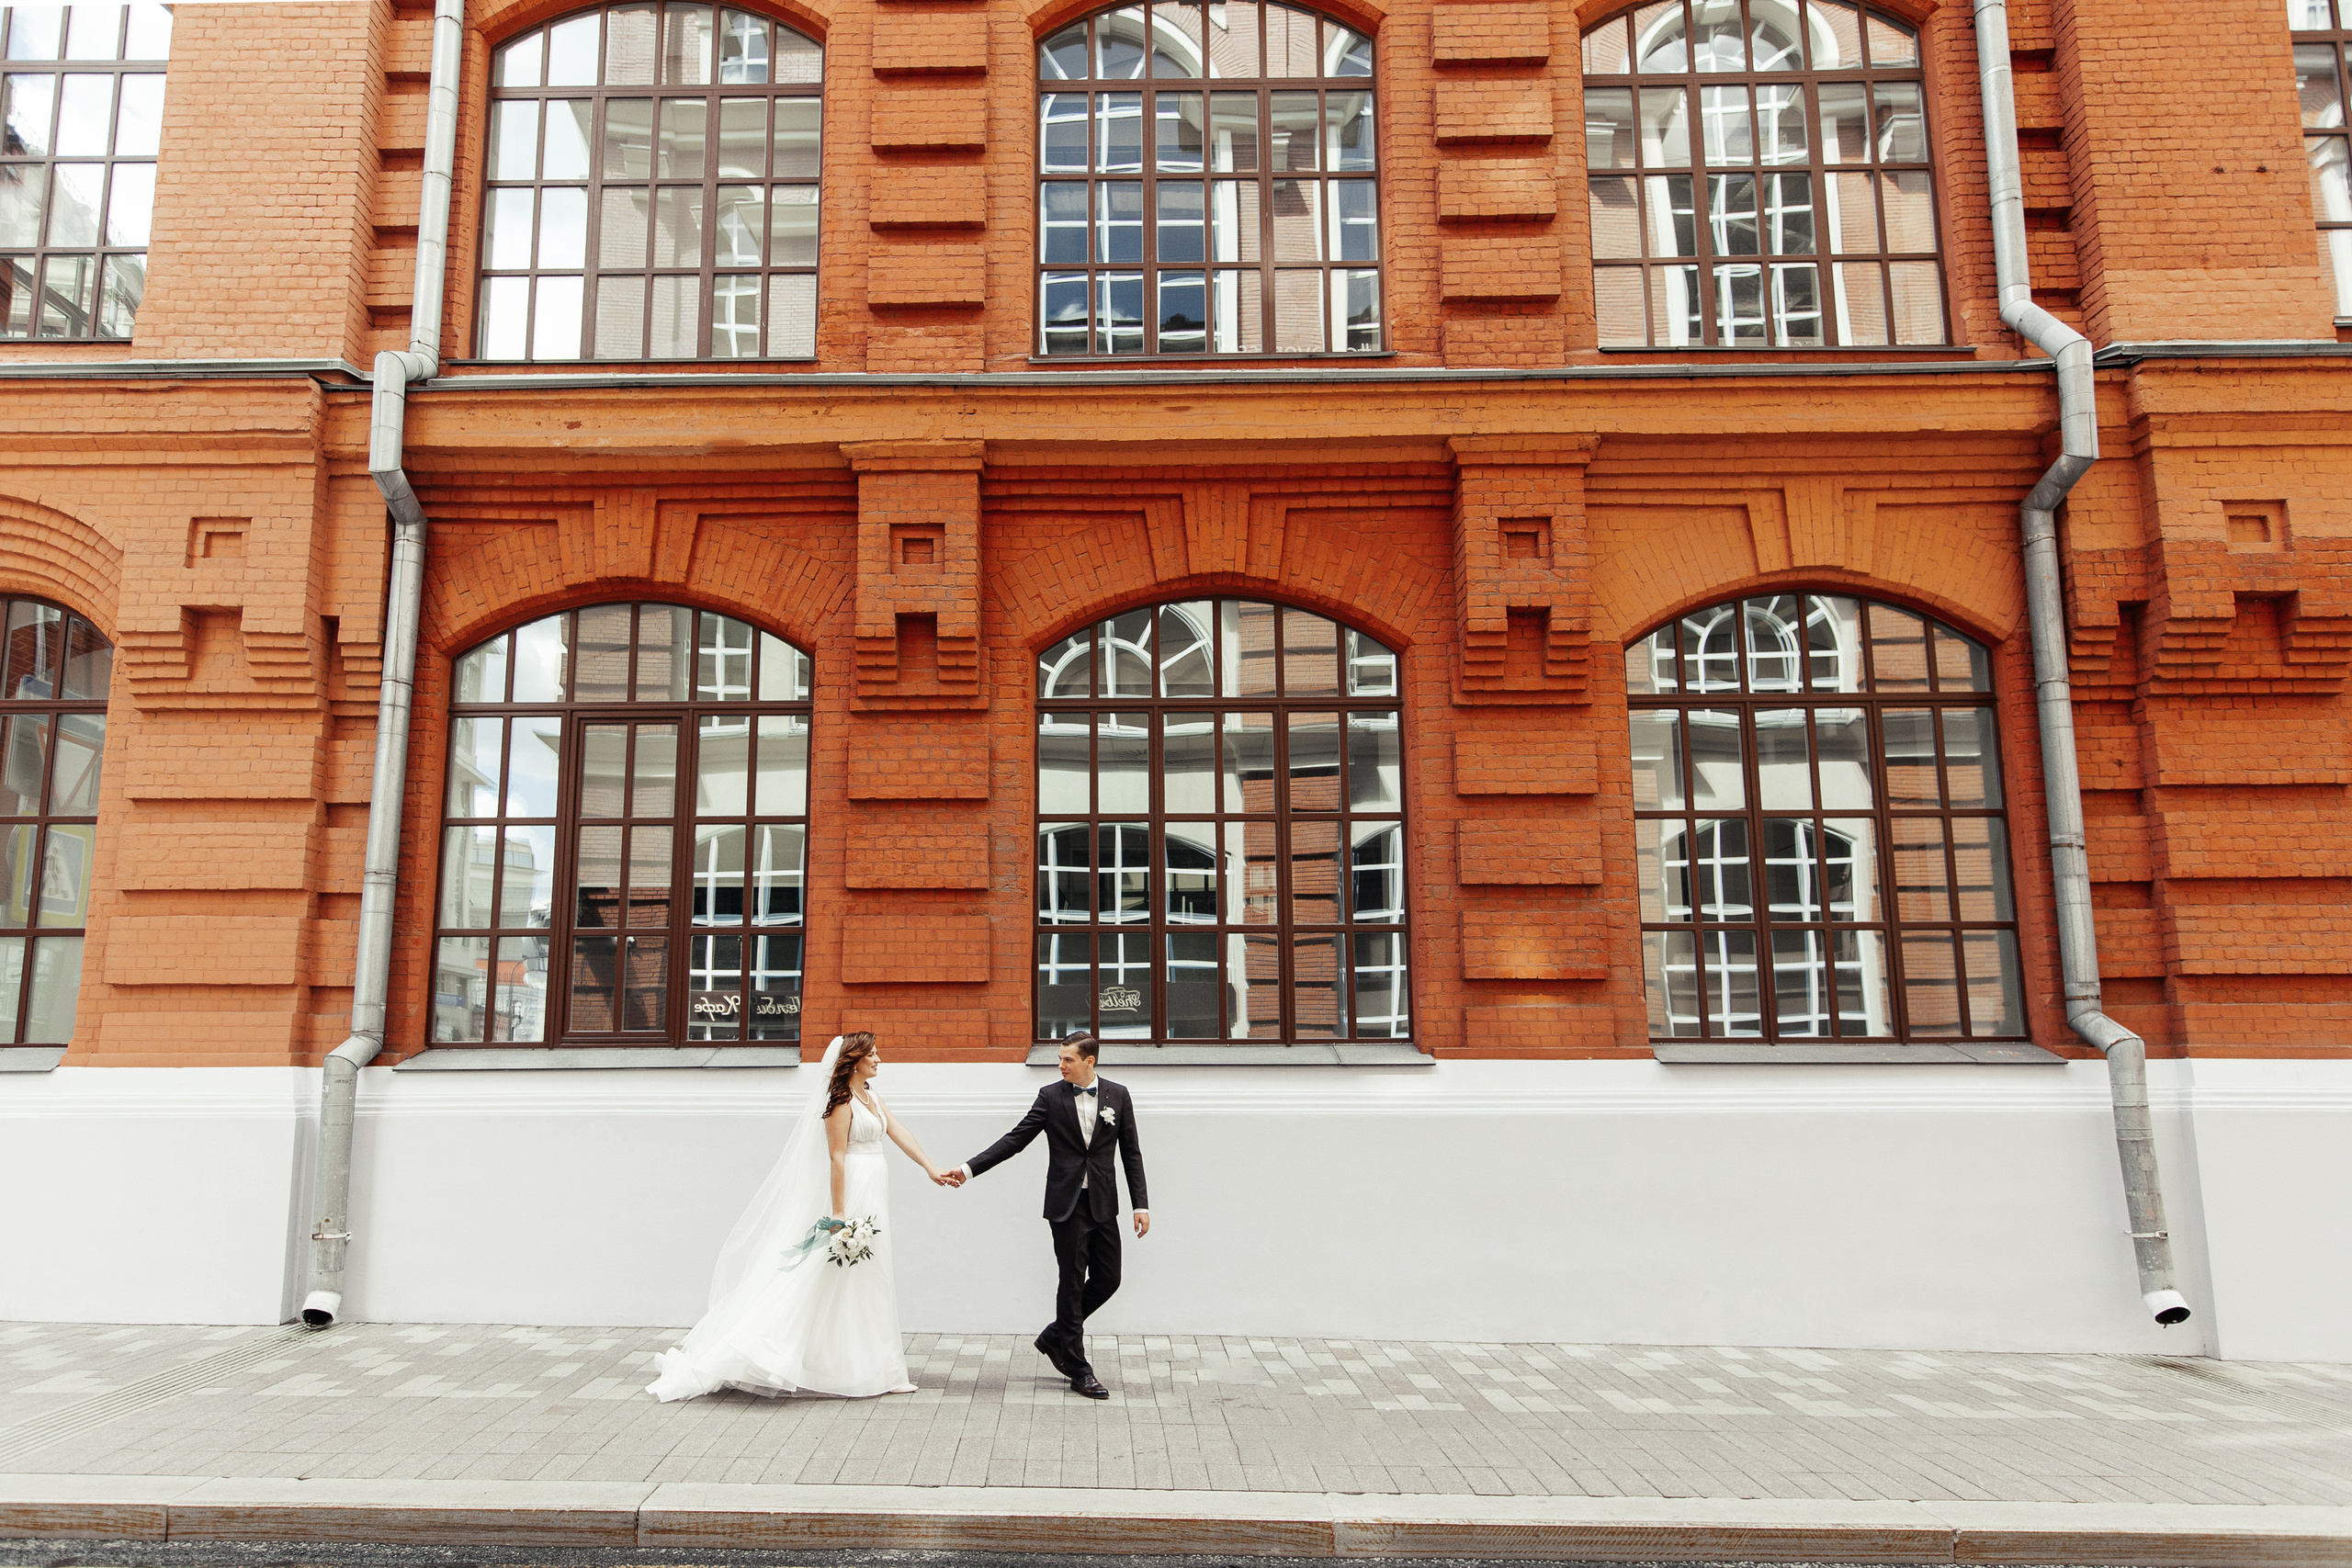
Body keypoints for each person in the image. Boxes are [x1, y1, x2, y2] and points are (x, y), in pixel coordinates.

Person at [646, 1032, 956, 1401]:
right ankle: (763, 1347)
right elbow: (837, 1157)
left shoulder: (871, 1097)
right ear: (853, 1060)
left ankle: (879, 1369)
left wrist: (929, 1167)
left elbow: (899, 1131)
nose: (878, 1059)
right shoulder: (840, 1102)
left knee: (873, 1275)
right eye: (872, 1054)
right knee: (824, 1273)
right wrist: (839, 1213)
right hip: (854, 1192)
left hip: (875, 1189)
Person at [944, 1032, 1148, 1400]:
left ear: (1090, 1062)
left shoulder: (1118, 1095)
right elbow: (1015, 1139)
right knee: (1070, 1282)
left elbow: (1131, 1153)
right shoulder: (1050, 1097)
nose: (1060, 1065)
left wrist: (1141, 1205)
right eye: (1059, 1058)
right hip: (1066, 1205)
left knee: (1109, 1278)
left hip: (1103, 1203)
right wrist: (968, 1169)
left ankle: (1056, 1336)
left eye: (1068, 1059)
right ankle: (1077, 1367)